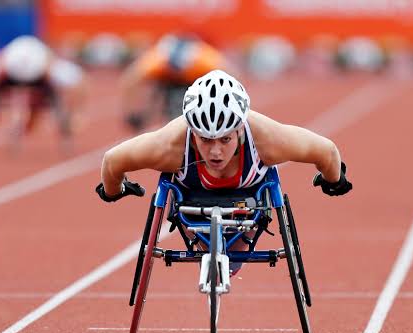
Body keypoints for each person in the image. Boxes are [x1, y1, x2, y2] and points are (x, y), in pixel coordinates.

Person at [96, 69, 352, 275]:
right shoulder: (169, 146)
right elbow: (112, 161)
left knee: (232, 262)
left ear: (240, 131)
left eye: (225, 139)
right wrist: (114, 190)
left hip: (249, 198)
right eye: (206, 140)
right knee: (213, 260)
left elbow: (326, 151)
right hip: (190, 197)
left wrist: (334, 180)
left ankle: (228, 255)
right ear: (193, 135)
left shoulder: (267, 140)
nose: (216, 152)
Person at [0, 35, 84, 152]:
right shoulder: (0, 67)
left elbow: (79, 85)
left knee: (55, 102)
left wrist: (75, 113)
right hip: (14, 73)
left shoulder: (50, 69)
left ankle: (65, 133)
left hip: (37, 74)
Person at [119, 33, 230, 131]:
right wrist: (132, 113)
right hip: (166, 79)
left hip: (195, 77)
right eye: (174, 71)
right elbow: (129, 81)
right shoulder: (156, 62)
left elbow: (231, 77)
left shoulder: (204, 61)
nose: (178, 73)